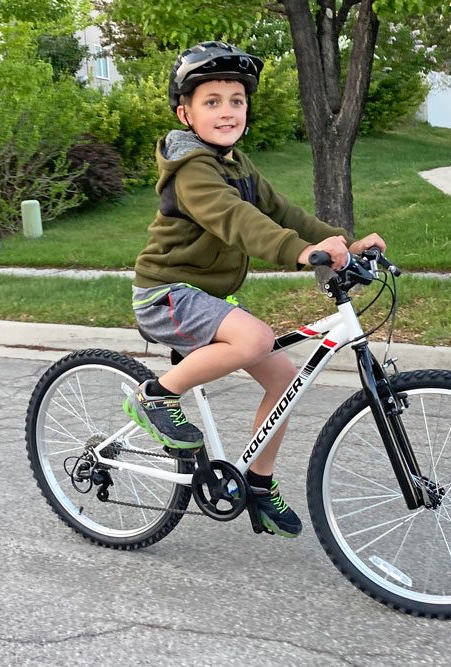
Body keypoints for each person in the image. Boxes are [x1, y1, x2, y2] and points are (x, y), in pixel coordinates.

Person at [123, 41, 385, 538]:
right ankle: (153, 397)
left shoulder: (237, 163)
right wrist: (299, 253)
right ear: (186, 113)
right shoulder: (193, 171)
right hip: (166, 294)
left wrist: (341, 244)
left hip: (205, 299)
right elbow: (237, 220)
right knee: (255, 338)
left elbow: (282, 212)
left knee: (284, 378)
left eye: (236, 100)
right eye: (212, 101)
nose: (227, 111)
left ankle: (258, 486)